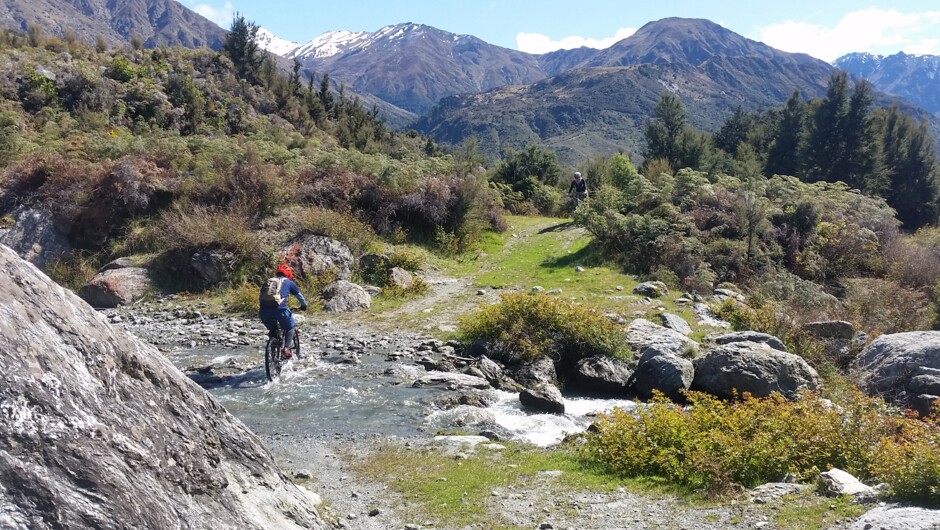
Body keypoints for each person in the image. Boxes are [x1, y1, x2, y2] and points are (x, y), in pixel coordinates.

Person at [259, 263, 307, 358]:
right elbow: (300, 297)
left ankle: (273, 353)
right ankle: (286, 348)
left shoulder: (268, 281)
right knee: (290, 327)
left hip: (263, 311)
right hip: (280, 310)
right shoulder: (289, 283)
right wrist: (304, 306)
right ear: (289, 274)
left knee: (273, 331)